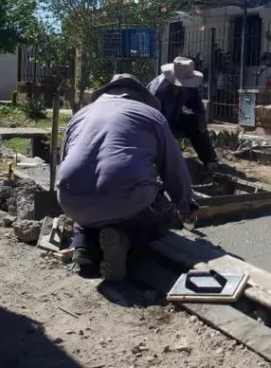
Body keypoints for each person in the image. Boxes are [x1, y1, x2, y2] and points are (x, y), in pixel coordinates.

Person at [56, 73, 196, 281]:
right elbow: (174, 169)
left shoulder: (80, 115)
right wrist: (186, 207)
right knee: (158, 216)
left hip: (70, 200)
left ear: (106, 94)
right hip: (123, 200)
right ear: (140, 97)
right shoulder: (152, 116)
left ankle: (84, 246)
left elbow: (64, 161)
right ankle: (126, 241)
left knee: (89, 200)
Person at [149, 57, 218, 169]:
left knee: (196, 123)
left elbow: (196, 102)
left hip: (174, 118)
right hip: (156, 124)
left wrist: (201, 116)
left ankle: (209, 160)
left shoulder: (189, 86)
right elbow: (150, 118)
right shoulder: (157, 91)